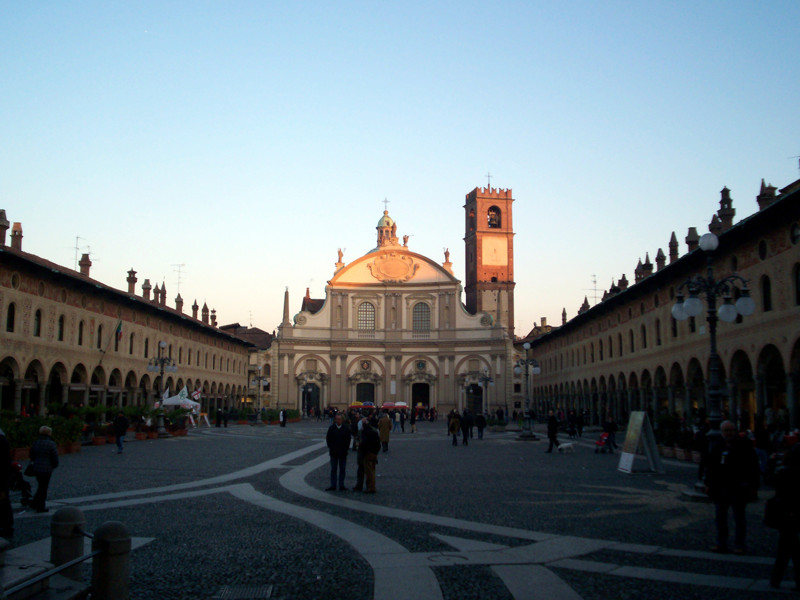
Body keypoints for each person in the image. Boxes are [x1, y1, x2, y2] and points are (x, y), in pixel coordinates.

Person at [704, 420, 760, 554]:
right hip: (721, 487)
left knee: (739, 518)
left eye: (731, 430)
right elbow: (711, 467)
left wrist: (753, 485)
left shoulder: (744, 445)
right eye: (726, 430)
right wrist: (708, 484)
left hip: (738, 487)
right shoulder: (718, 445)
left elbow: (753, 466)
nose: (729, 433)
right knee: (720, 518)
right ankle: (721, 543)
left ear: (735, 431)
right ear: (722, 432)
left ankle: (740, 544)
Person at [766, 444, 800, 590]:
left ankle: (776, 579)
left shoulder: (785, 473)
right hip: (794, 512)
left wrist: (770, 462)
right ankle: (777, 579)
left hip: (786, 513)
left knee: (786, 549)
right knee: (790, 548)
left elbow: (768, 480)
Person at [29, 425, 59, 513]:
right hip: (47, 468)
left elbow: (31, 455)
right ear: (49, 433)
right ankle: (40, 505)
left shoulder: (36, 442)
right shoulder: (51, 443)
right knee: (43, 487)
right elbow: (54, 456)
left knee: (41, 486)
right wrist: (54, 465)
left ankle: (35, 502)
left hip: (37, 467)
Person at [325, 413, 351, 491]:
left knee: (342, 469)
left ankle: (341, 485)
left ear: (342, 420)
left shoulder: (346, 428)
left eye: (339, 419)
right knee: (333, 469)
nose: (338, 421)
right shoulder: (331, 428)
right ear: (335, 420)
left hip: (343, 452)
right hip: (334, 452)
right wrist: (331, 448)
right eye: (337, 419)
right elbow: (328, 439)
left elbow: (348, 440)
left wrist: (345, 449)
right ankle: (333, 485)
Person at [362, 417, 381, 493]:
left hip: (368, 453)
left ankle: (371, 487)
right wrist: (376, 452)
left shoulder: (366, 432)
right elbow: (378, 443)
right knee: (372, 470)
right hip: (374, 453)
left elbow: (365, 443)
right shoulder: (374, 432)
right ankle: (371, 486)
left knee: (369, 472)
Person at [0, 426, 13, 538]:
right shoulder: (3, 441)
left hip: (2, 478)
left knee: (4, 503)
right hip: (4, 477)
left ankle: (7, 526)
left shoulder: (2, 442)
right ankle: (7, 526)